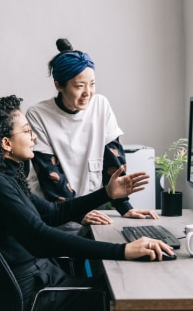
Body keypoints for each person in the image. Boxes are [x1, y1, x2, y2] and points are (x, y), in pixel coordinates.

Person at [0, 95, 175, 311]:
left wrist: (107, 193)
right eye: (27, 131)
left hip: (48, 283)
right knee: (137, 292)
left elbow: (54, 212)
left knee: (134, 284)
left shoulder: (5, 178)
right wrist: (123, 250)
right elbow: (39, 238)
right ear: (6, 143)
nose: (34, 137)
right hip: (41, 296)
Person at [26, 38, 158, 231]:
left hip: (88, 213)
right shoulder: (38, 114)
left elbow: (113, 159)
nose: (88, 92)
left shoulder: (100, 105)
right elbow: (49, 174)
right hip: (53, 215)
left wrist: (124, 206)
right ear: (59, 85)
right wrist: (78, 212)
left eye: (92, 84)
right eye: (79, 86)